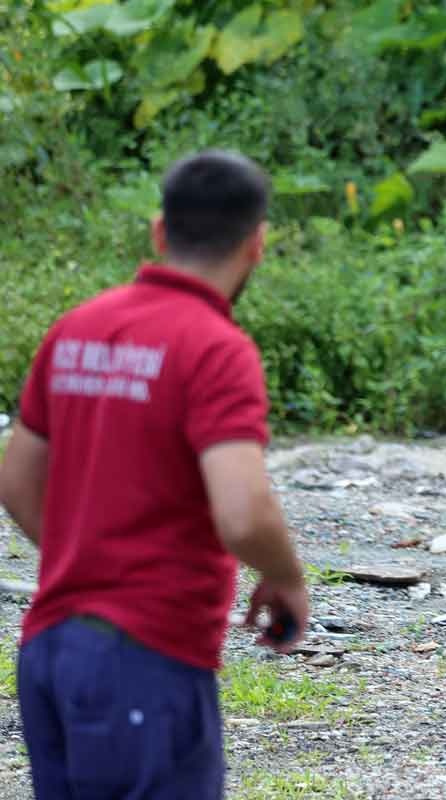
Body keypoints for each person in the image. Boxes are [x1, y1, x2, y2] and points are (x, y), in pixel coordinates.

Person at [0, 149, 310, 798]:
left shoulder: (77, 328)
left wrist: (91, 556)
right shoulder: (216, 348)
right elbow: (243, 511)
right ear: (256, 244)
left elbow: (16, 481)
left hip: (51, 654)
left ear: (160, 232)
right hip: (146, 662)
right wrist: (283, 576)